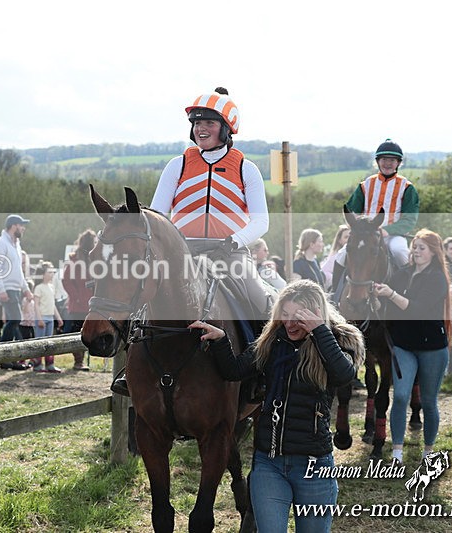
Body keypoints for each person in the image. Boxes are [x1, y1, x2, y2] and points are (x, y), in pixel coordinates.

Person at [189, 280, 365, 533]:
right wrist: (221, 340)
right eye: (285, 315)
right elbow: (234, 371)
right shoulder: (273, 341)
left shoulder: (337, 339)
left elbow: (343, 375)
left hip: (314, 466)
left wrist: (319, 331)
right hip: (269, 464)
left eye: (298, 317)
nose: (290, 324)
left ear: (315, 315)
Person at [149, 86, 272, 317]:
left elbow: (261, 222)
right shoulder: (177, 165)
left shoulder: (247, 169)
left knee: (259, 301)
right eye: (197, 123)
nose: (201, 129)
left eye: (209, 123)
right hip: (182, 252)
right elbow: (156, 216)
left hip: (230, 253)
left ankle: (272, 339)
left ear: (225, 129)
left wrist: (232, 243)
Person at [373, 229, 452, 463]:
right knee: (400, 396)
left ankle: (428, 451)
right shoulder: (402, 274)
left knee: (428, 401)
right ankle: (397, 451)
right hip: (403, 346)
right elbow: (387, 304)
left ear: (433, 252)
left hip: (433, 349)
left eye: (421, 248)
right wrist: (377, 299)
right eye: (414, 247)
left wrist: (391, 294)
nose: (416, 251)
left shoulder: (437, 278)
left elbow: (417, 309)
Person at [335, 139, 419, 286]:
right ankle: (334, 292)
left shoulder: (407, 187)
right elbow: (351, 209)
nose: (388, 163)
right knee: (341, 255)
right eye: (384, 159)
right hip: (367, 234)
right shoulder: (366, 184)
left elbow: (410, 220)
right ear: (378, 161)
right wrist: (358, 227)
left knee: (400, 251)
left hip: (392, 236)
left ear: (398, 163)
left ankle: (409, 290)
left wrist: (387, 230)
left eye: (392, 160)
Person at [0, 214, 34, 349]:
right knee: (16, 319)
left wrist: (25, 289)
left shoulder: (16, 246)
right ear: (14, 226)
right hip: (6, 288)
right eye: (21, 225)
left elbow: (18, 271)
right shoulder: (0, 244)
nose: (23, 228)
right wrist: (0, 290)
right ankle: (2, 350)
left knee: (14, 320)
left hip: (15, 288)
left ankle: (10, 352)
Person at [61, 229, 97, 371]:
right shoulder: (74, 260)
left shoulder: (94, 259)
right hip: (78, 305)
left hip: (91, 303)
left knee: (89, 332)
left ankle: (81, 361)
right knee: (77, 332)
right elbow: (66, 281)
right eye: (94, 241)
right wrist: (76, 297)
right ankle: (78, 361)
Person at [31, 261, 64, 373]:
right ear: (43, 274)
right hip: (42, 318)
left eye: (52, 272)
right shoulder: (38, 288)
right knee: (40, 342)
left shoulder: (51, 287)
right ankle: (37, 365)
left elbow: (52, 305)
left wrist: (58, 317)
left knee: (49, 342)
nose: (52, 274)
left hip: (50, 318)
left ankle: (50, 364)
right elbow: (36, 305)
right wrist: (39, 319)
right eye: (49, 272)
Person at [320, 225, 349, 291]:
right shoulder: (336, 257)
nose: (349, 239)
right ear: (339, 240)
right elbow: (324, 272)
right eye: (346, 237)